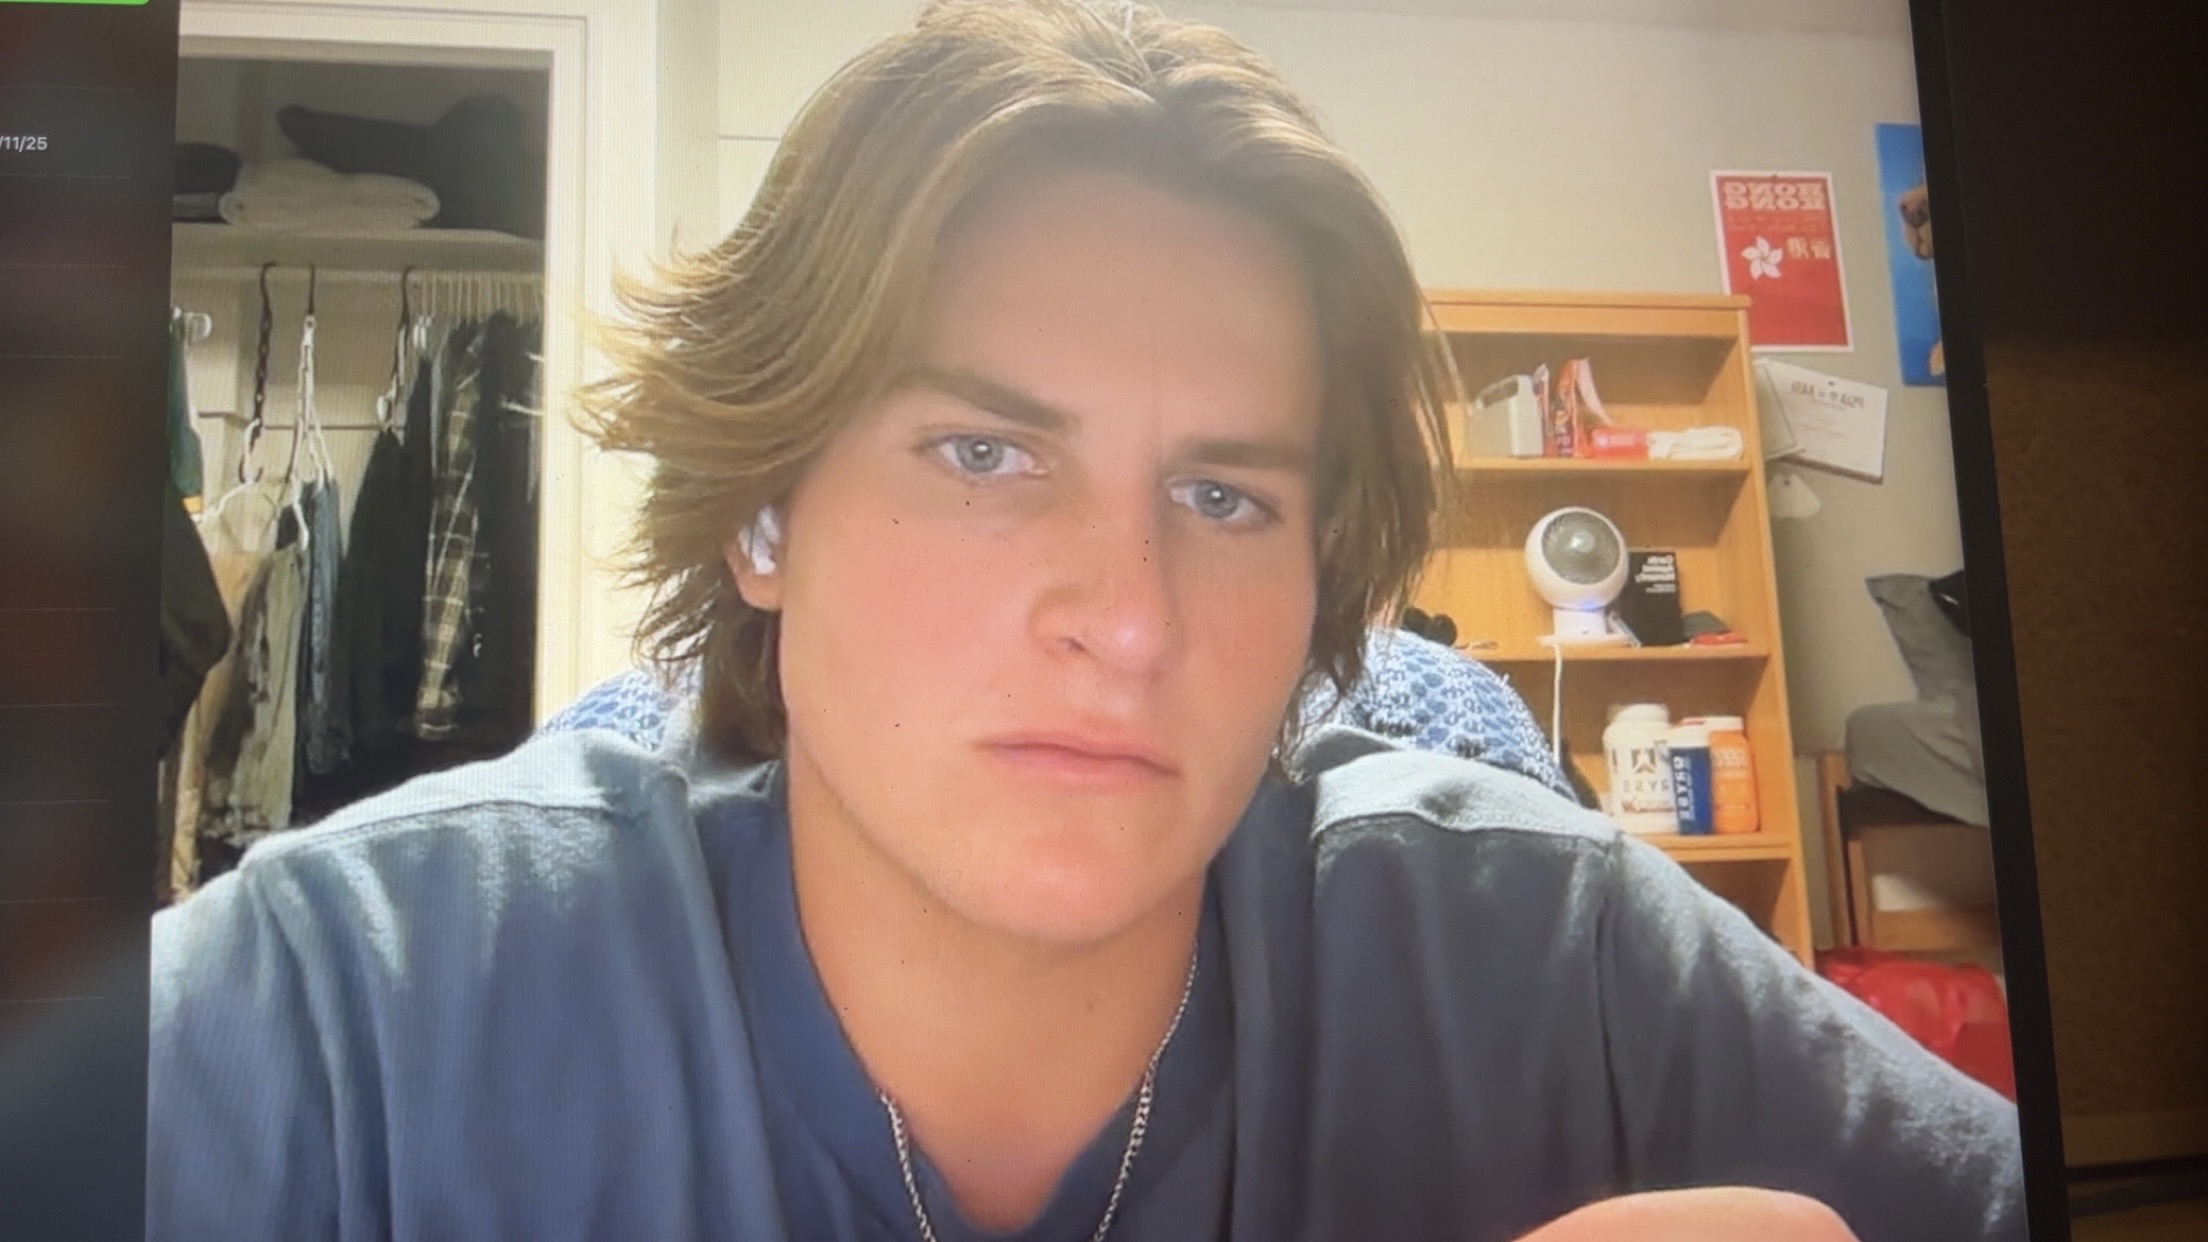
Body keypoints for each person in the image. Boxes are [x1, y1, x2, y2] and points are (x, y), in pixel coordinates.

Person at [146, 2, 2027, 1239]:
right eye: (985, 455)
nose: (1128, 621)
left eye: (1225, 498)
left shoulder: (1551, 962)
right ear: (763, 514)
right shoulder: (350, 1012)